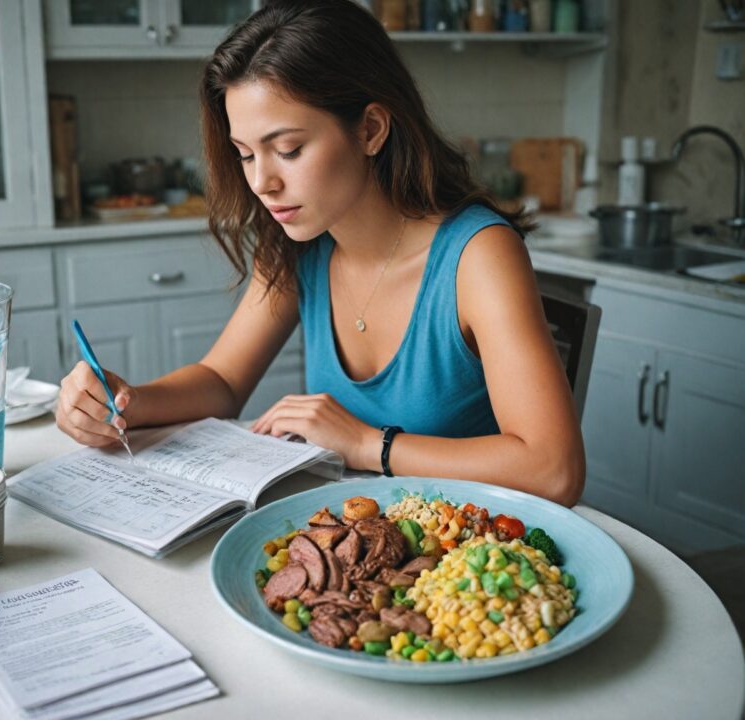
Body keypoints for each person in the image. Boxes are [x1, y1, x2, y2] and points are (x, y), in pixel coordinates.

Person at [56, 0, 585, 507]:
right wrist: (123, 402)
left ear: (371, 129)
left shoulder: (479, 254)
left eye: (288, 150)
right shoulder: (302, 241)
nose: (263, 182)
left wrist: (367, 444)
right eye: (245, 155)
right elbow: (221, 383)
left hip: (471, 561)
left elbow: (552, 469)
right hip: (361, 539)